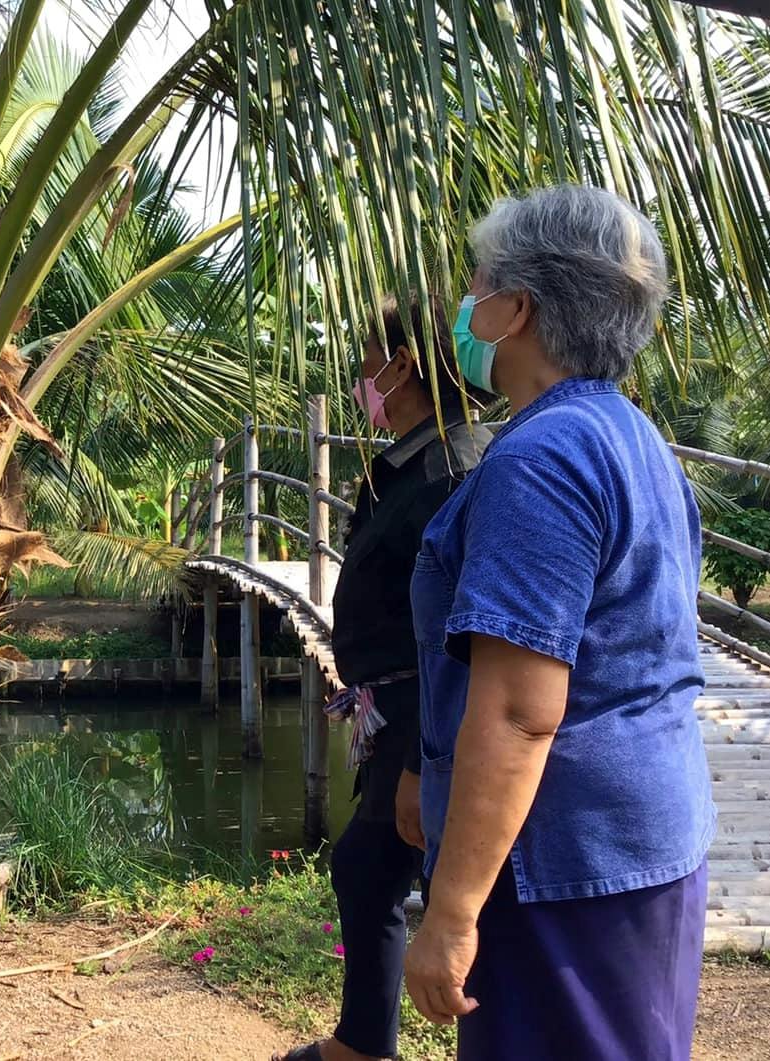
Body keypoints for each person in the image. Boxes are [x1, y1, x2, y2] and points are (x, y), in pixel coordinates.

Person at [404, 184, 715, 1059]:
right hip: (641, 833)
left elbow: (517, 709)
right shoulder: (629, 437)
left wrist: (452, 912)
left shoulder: (539, 460)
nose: (462, 303)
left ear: (514, 308)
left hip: (561, 860)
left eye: (475, 284)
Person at [273, 297, 491, 1061]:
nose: (360, 377)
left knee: (411, 873)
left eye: (366, 362)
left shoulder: (452, 468)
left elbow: (462, 634)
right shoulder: (406, 461)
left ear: (400, 366)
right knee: (369, 868)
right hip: (392, 704)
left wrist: (417, 761)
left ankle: (379, 1044)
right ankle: (364, 1041)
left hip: (423, 709)